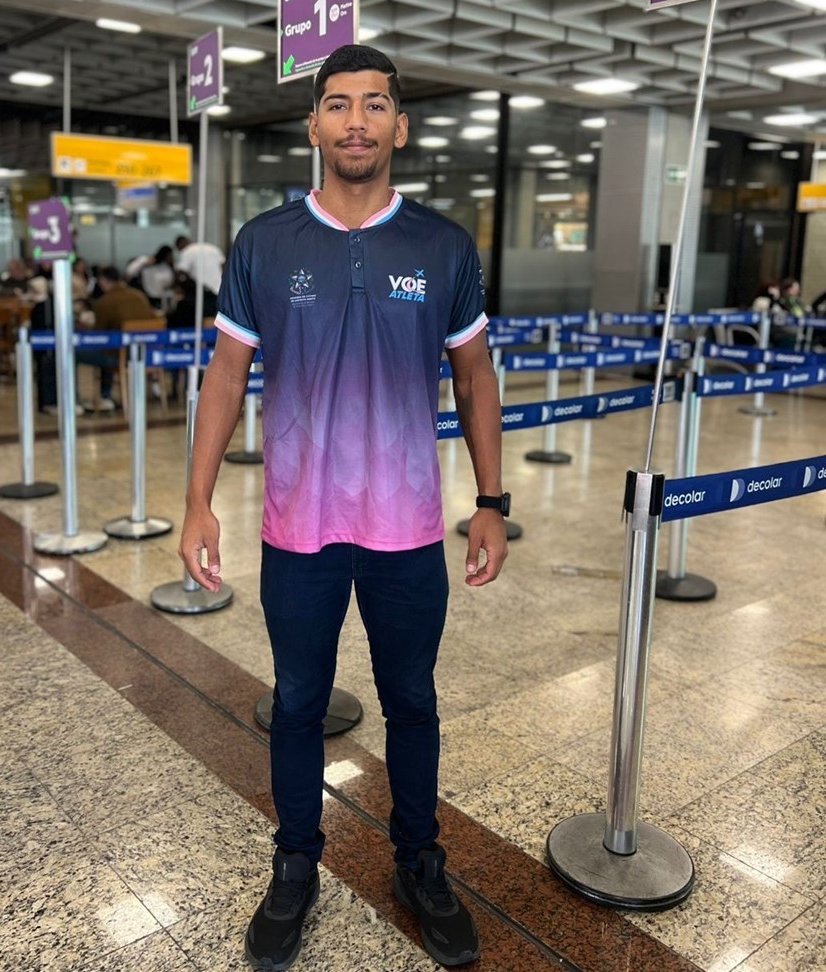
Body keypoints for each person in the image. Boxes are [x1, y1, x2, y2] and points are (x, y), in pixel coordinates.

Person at [177, 45, 507, 971]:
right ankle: (295, 866)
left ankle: (419, 863)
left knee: (412, 701)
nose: (355, 121)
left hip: (408, 529)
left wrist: (490, 500)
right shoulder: (265, 241)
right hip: (299, 527)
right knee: (296, 704)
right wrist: (196, 501)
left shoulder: (442, 245)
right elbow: (226, 375)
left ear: (400, 126)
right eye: (337, 104)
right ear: (314, 125)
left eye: (373, 105)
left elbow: (474, 375)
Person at [82, 265, 157, 409]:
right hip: (146, 353)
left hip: (120, 356)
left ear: (103, 281)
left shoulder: (104, 302)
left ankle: (95, 397)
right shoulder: (139, 296)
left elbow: (99, 335)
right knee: (109, 348)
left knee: (74, 353)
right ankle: (105, 395)